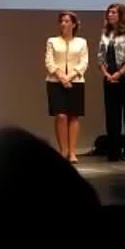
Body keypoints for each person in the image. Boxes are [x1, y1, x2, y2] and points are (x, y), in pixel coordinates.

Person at [98, 3, 125, 161]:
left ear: (121, 15)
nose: (110, 14)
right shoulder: (105, 33)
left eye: (113, 12)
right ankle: (114, 152)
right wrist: (106, 74)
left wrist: (119, 73)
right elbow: (100, 56)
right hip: (110, 78)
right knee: (112, 115)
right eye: (109, 12)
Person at [45, 11, 89, 163]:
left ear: (74, 24)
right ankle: (63, 151)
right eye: (61, 21)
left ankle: (72, 152)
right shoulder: (52, 41)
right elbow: (49, 62)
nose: (63, 23)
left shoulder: (81, 42)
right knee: (61, 116)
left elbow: (84, 62)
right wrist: (62, 78)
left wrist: (69, 77)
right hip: (55, 81)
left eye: (67, 21)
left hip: (76, 81)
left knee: (74, 116)